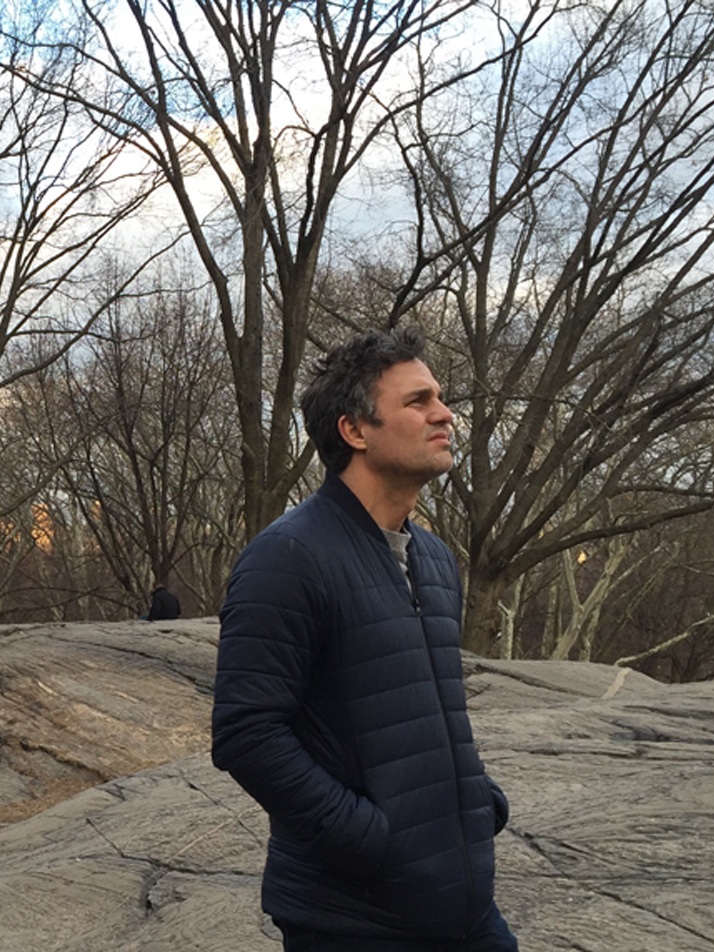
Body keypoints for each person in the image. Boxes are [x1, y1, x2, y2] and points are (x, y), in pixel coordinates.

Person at [210, 328, 516, 951]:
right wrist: (370, 838)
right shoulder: (288, 557)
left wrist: (476, 801)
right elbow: (247, 733)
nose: (445, 414)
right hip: (351, 921)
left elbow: (428, 710)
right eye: (419, 401)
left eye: (440, 398)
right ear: (354, 430)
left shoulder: (435, 559)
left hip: (463, 908)